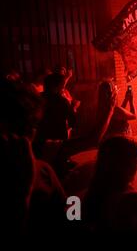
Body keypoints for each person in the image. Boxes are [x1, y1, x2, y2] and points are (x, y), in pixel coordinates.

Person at [0, 78, 67, 234]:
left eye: (35, 125)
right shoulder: (39, 172)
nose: (32, 133)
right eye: (29, 125)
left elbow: (70, 210)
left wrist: (76, 202)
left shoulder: (43, 171)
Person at [36, 72, 77, 142]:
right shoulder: (62, 101)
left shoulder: (36, 98)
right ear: (57, 86)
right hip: (58, 137)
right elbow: (72, 120)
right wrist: (73, 107)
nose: (63, 88)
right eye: (62, 86)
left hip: (40, 137)